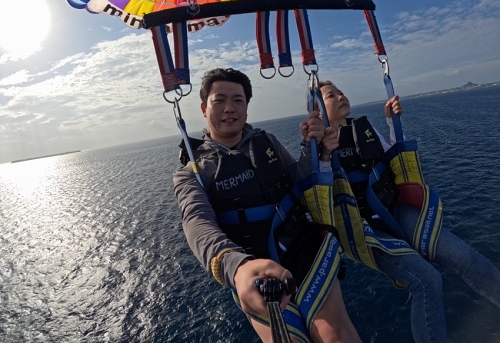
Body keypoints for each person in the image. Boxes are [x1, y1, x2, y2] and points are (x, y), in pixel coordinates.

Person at [173, 68, 361, 343]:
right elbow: (196, 222)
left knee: (336, 335)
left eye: (238, 100)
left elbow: (299, 181)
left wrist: (315, 149)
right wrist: (236, 267)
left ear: (246, 108)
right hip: (255, 269)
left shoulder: (266, 142)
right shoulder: (193, 173)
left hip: (304, 248)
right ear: (204, 108)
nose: (229, 108)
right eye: (219, 100)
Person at [319, 80, 500, 343]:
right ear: (317, 111)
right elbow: (319, 192)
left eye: (341, 92)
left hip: (394, 210)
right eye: (330, 95)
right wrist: (324, 152)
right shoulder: (318, 148)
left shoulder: (364, 129)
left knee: (464, 256)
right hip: (364, 231)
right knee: (427, 280)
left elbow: (395, 156)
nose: (340, 97)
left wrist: (392, 121)